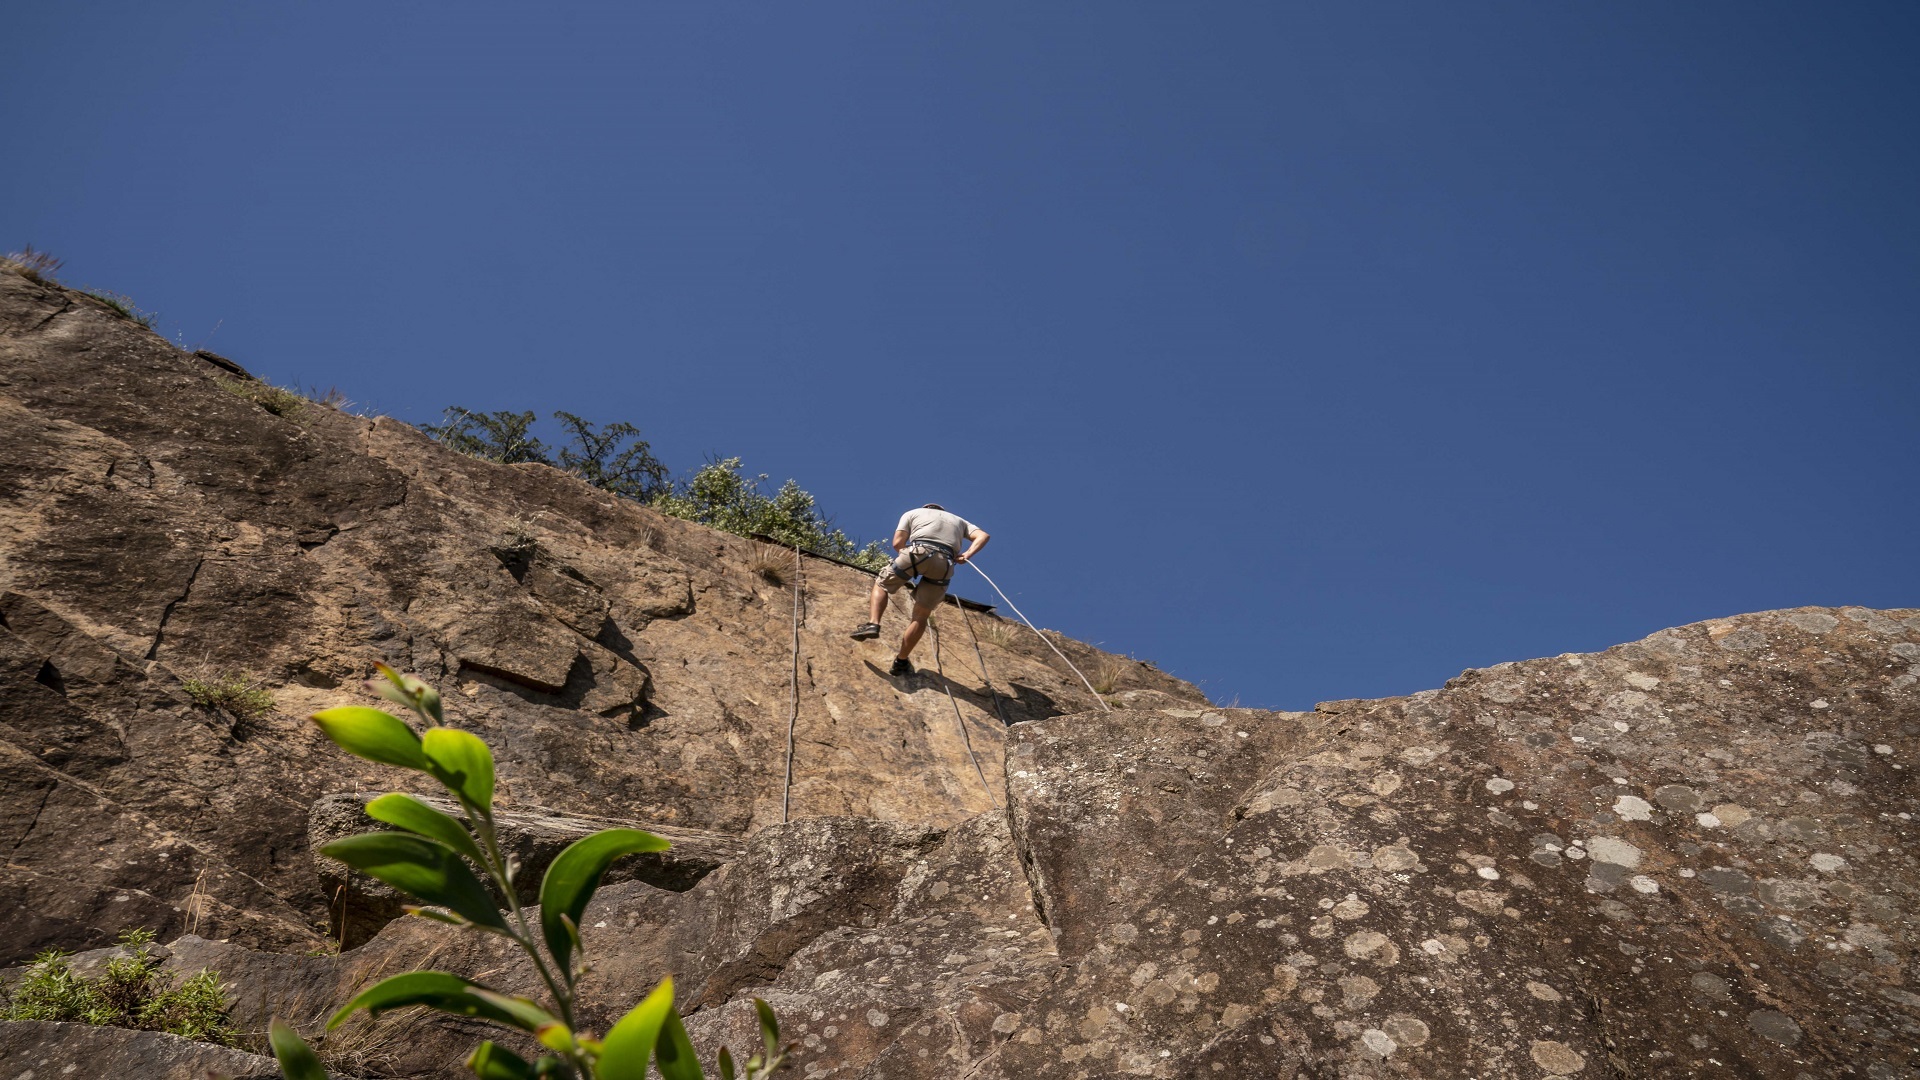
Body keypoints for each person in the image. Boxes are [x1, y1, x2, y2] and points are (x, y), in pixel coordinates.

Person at [849, 503, 989, 676]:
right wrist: (967, 555)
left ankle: (873, 624)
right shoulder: (959, 521)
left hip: (918, 552)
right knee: (921, 615)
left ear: (927, 508)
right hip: (944, 563)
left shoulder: (913, 513)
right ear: (942, 511)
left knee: (882, 583)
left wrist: (906, 558)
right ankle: (901, 660)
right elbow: (983, 536)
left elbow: (897, 543)